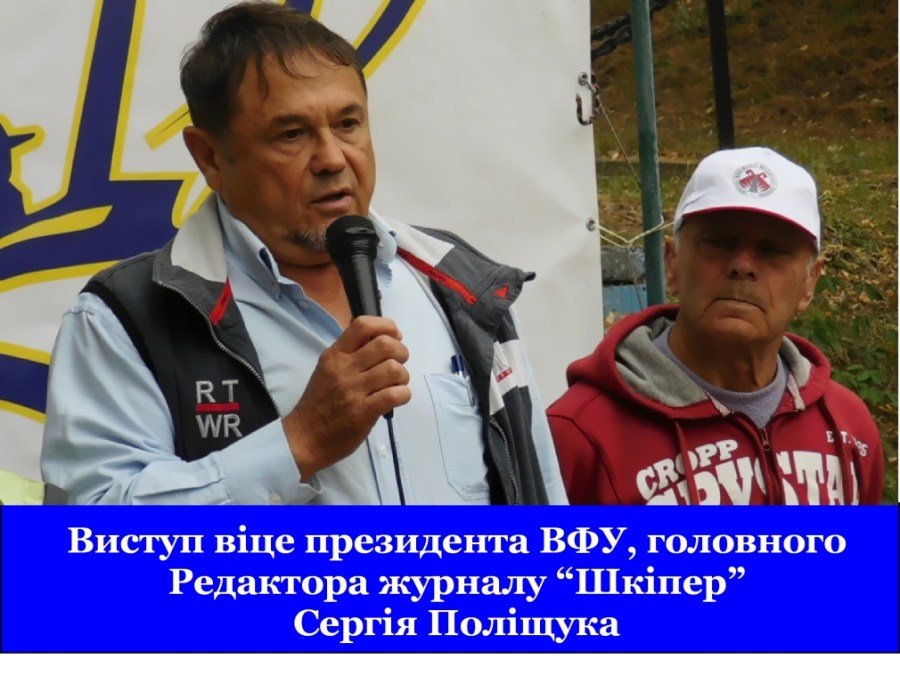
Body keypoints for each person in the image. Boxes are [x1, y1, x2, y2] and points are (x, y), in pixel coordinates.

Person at [40, 1, 566, 505]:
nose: (333, 158)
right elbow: (83, 544)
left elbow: (542, 502)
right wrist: (298, 443)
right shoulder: (126, 320)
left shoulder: (462, 288)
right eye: (291, 134)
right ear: (210, 156)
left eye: (348, 124)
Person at [548, 146, 884, 505]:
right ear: (672, 263)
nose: (742, 265)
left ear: (809, 282)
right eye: (718, 242)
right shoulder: (578, 435)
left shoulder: (850, 428)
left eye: (773, 250)